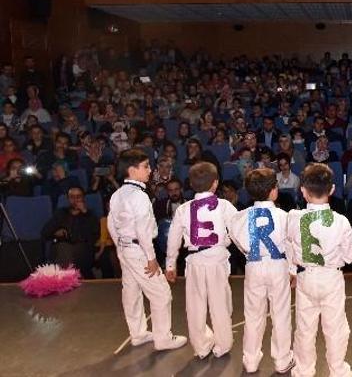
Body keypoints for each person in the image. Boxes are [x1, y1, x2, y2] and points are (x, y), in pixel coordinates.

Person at [107, 149, 187, 351]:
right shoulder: (139, 196)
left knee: (131, 292)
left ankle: (138, 333)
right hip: (139, 251)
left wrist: (119, 248)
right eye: (145, 166)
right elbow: (143, 230)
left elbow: (111, 225)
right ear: (132, 170)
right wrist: (151, 258)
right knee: (161, 294)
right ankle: (163, 338)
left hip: (126, 248)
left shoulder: (117, 195)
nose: (150, 170)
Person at [285, 163, 352, 377]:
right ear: (333, 189)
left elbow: (289, 244)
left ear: (303, 191)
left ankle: (304, 371)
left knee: (305, 328)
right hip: (331, 278)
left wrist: (292, 268)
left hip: (305, 276)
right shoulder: (341, 221)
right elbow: (351, 256)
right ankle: (338, 371)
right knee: (335, 328)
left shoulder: (293, 217)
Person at [165, 162, 237, 359]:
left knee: (195, 307)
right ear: (215, 184)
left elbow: (173, 239)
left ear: (190, 183)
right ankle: (222, 345)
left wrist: (170, 264)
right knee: (220, 304)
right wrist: (229, 240)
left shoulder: (183, 209)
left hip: (195, 262)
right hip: (217, 260)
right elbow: (238, 231)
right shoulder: (224, 206)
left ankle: (202, 346)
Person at [228, 168, 295, 374]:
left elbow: (238, 242)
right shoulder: (285, 216)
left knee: (253, 315)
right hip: (278, 266)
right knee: (281, 313)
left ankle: (250, 359)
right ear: (274, 190)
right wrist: (292, 268)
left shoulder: (238, 217)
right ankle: (282, 359)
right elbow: (291, 244)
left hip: (254, 265)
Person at [41, 186, 100, 279]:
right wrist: (55, 232)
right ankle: (70, 278)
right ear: (68, 199)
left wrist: (85, 212)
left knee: (69, 251)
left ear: (83, 198)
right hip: (61, 247)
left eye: (78, 196)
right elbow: (44, 232)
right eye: (72, 197)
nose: (75, 199)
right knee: (64, 248)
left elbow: (95, 233)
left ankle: (66, 279)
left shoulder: (89, 214)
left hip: (82, 249)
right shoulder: (61, 213)